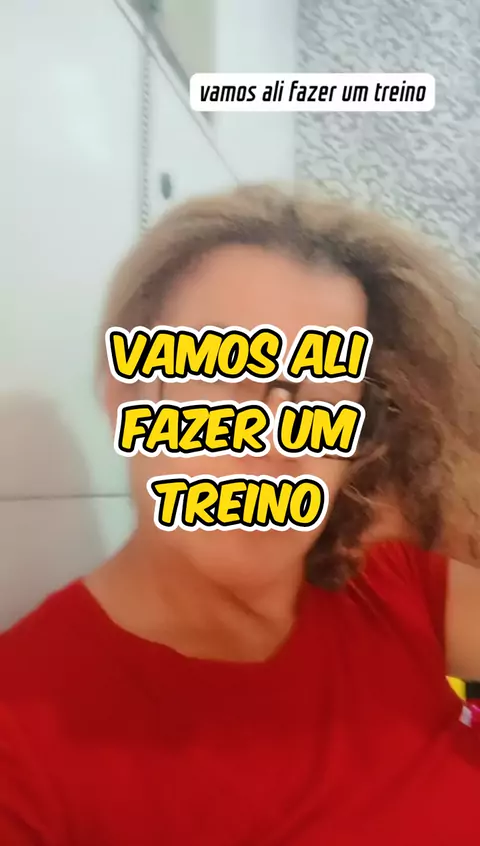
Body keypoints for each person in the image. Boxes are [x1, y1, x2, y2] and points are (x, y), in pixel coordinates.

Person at [1, 184, 479, 845]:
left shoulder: (387, 577)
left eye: (322, 399)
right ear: (124, 398)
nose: (276, 441)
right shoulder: (22, 733)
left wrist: (446, 504)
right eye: (226, 379)